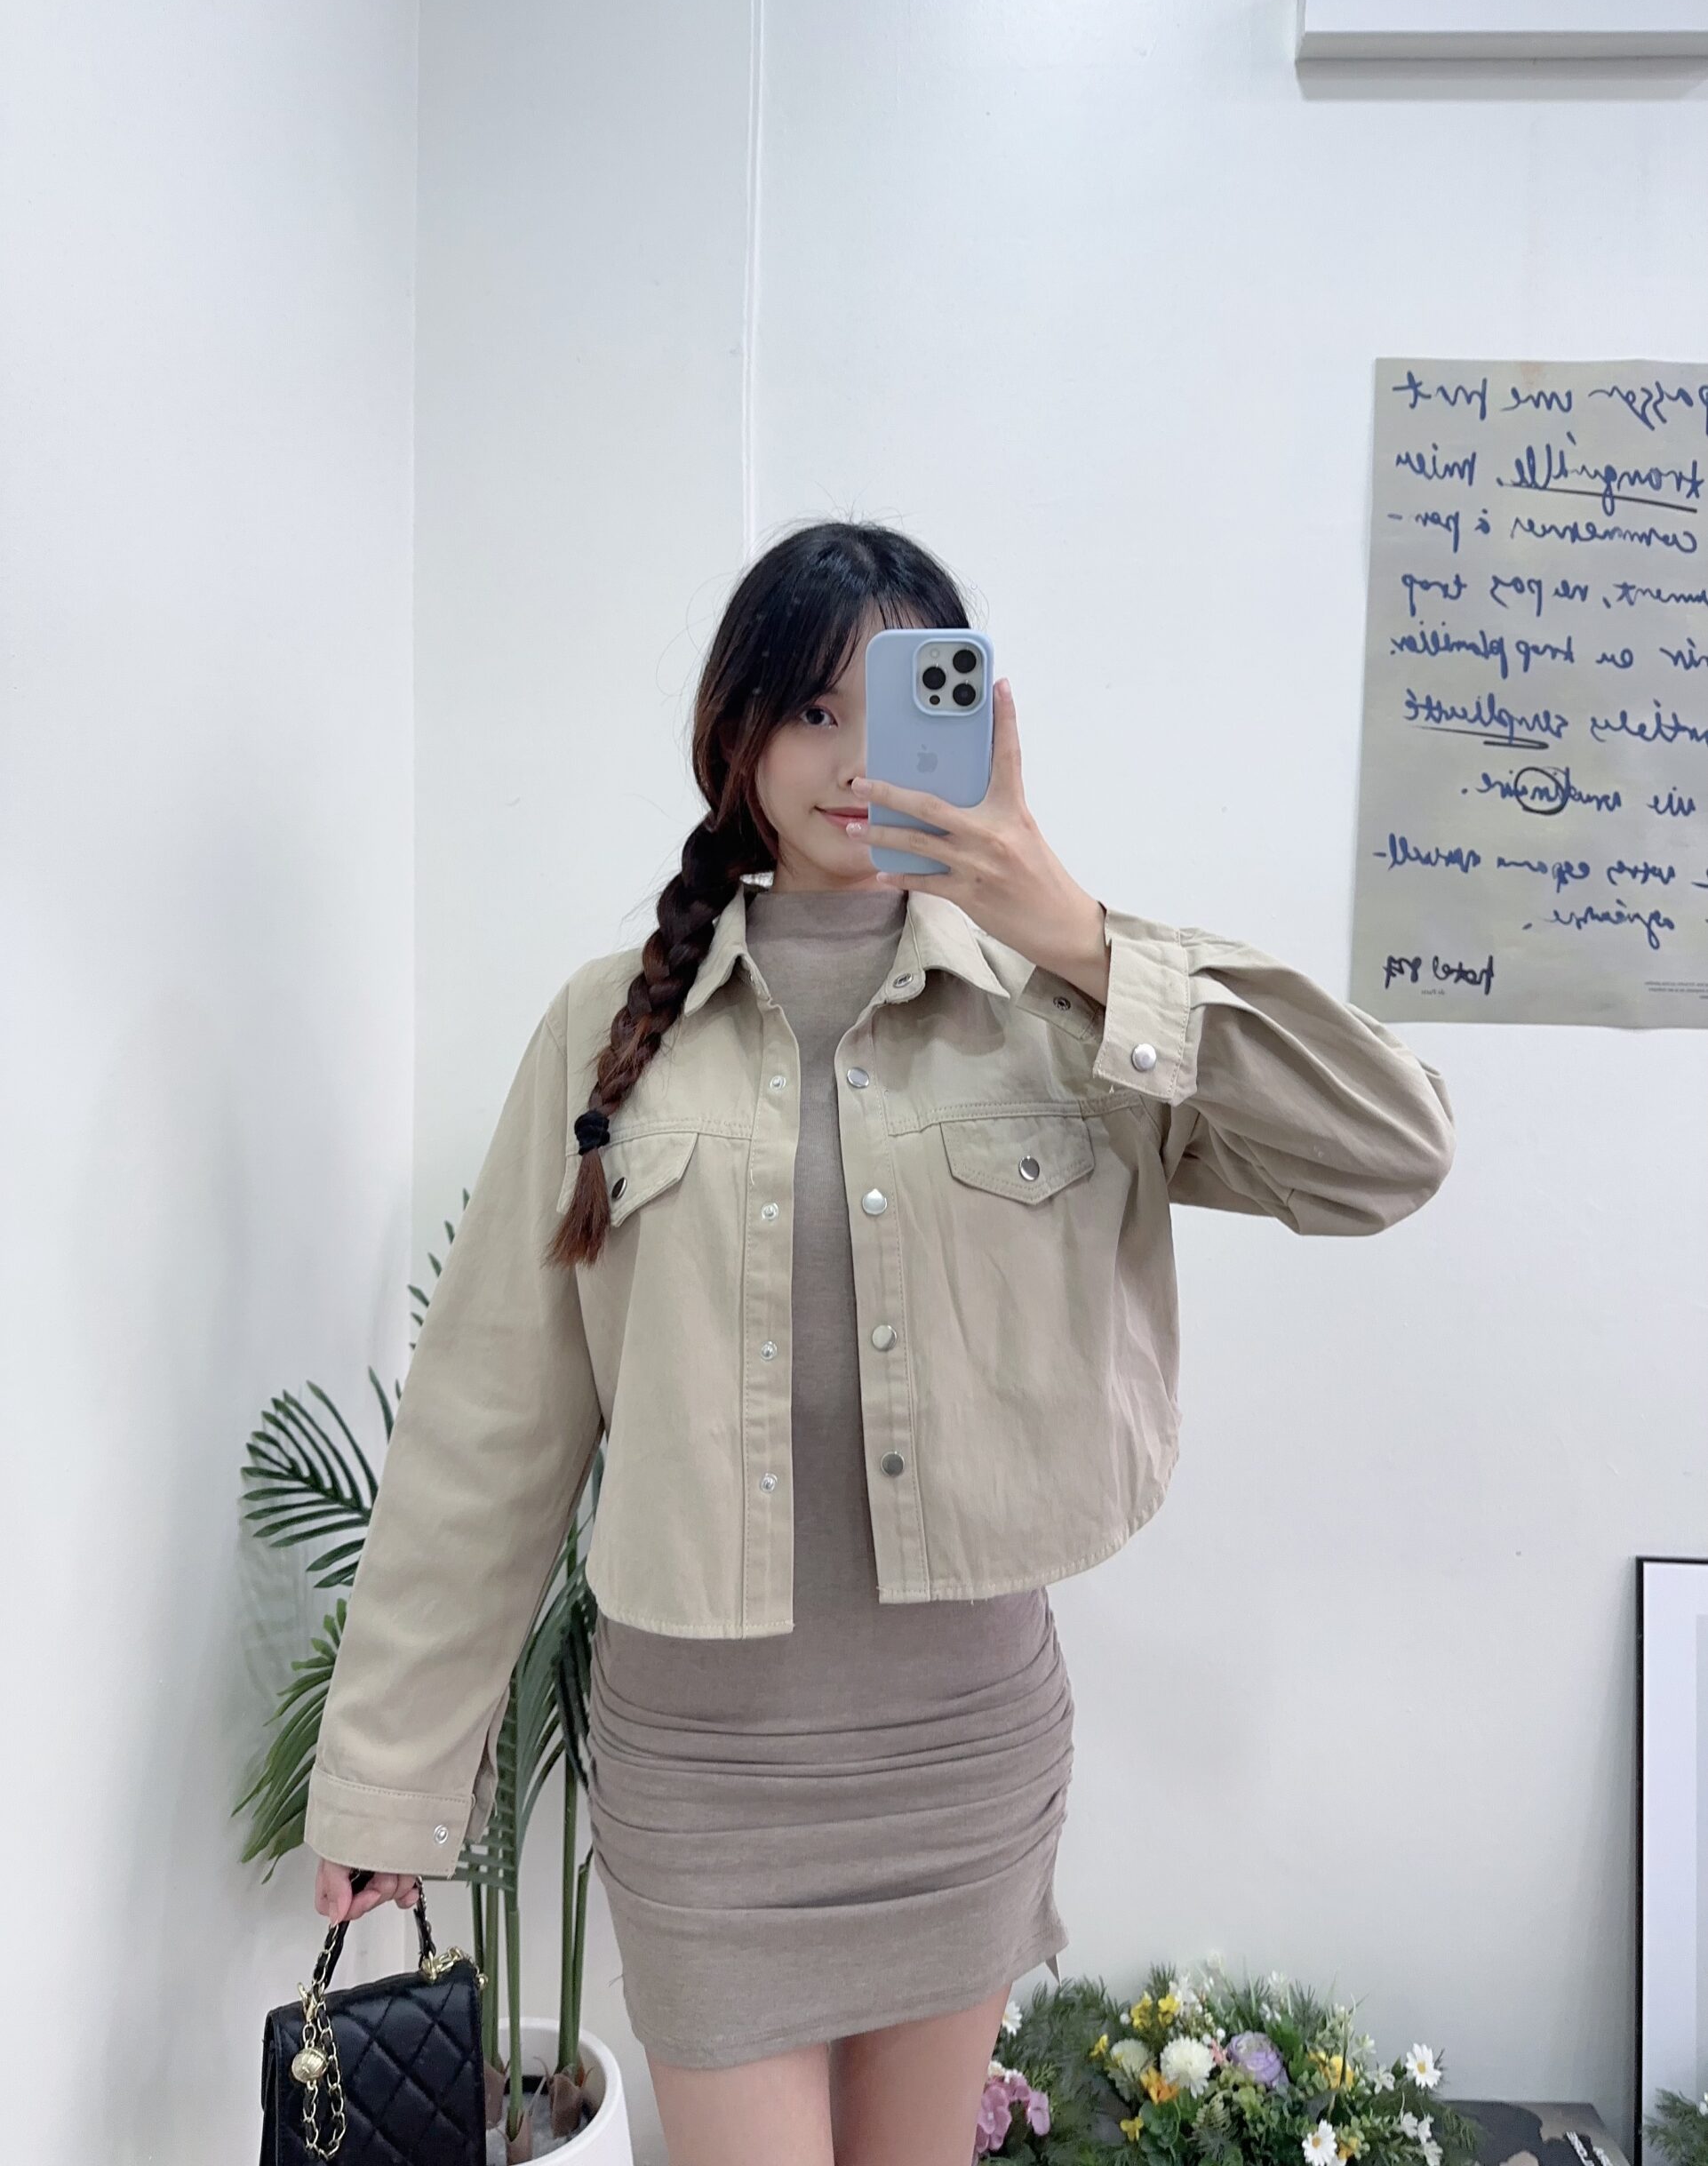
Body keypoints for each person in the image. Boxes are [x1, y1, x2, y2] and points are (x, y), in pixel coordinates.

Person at [306, 519, 1456, 2166]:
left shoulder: (1064, 1014)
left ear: (975, 723)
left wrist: (1078, 934)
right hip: (704, 1778)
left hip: (960, 1759)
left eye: (897, 704)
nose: (853, 762)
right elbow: (489, 1420)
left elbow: (1389, 1151)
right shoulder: (605, 1028)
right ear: (738, 733)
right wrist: (387, 1783)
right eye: (811, 711)